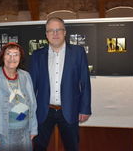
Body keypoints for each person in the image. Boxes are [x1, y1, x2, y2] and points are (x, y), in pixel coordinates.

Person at [30, 17, 91, 151]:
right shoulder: (37, 55)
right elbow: (31, 86)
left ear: (65, 32)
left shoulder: (78, 52)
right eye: (51, 30)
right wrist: (29, 111)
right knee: (39, 146)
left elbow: (85, 82)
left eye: (58, 30)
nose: (55, 34)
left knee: (72, 146)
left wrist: (85, 108)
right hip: (44, 111)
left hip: (69, 109)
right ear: (46, 35)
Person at [0, 42, 38, 151]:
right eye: (8, 54)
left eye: (16, 54)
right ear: (2, 57)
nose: (12, 58)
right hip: (3, 134)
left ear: (20, 58)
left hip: (25, 132)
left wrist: (33, 128)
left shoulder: (26, 76)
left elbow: (33, 104)